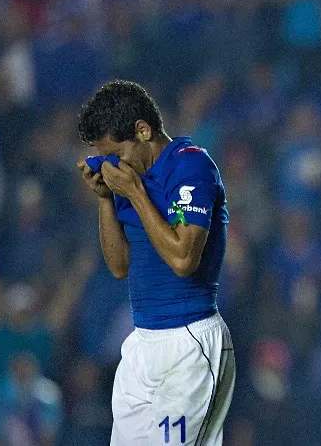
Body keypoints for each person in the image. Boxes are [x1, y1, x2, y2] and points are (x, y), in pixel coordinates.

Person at [76, 80, 235, 445]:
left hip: (189, 341)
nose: (113, 164)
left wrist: (133, 191)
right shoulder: (129, 179)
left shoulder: (191, 166)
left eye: (116, 153)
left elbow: (183, 258)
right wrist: (105, 199)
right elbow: (119, 267)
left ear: (143, 131)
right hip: (141, 342)